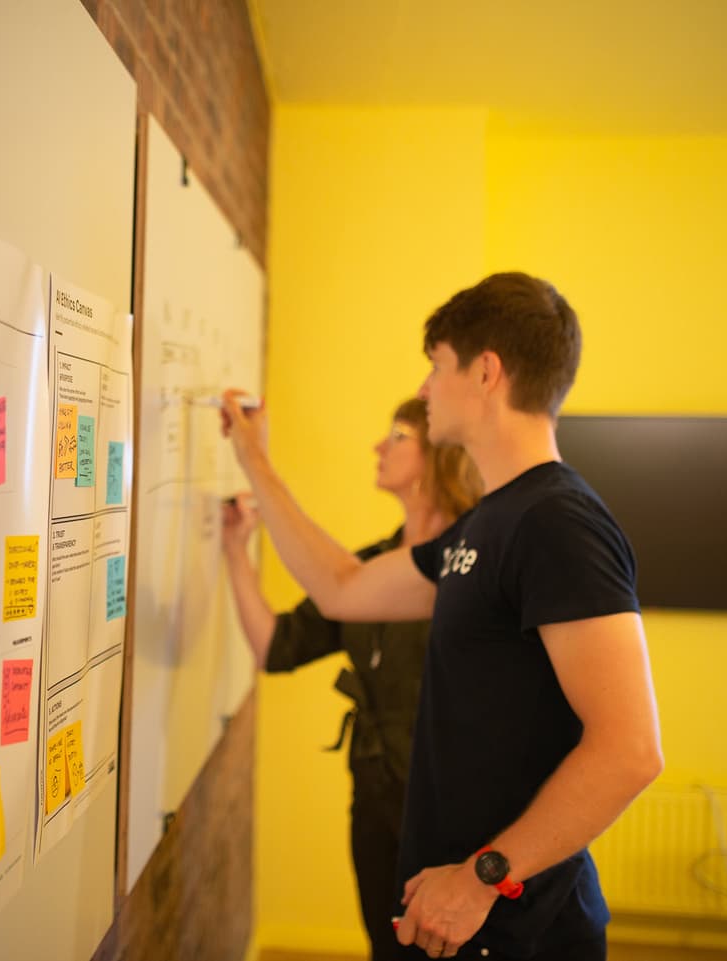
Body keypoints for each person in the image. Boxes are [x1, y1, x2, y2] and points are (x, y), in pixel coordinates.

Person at [220, 272, 663, 960]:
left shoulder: (560, 522)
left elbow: (630, 749)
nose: (425, 387)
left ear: (485, 372)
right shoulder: (488, 522)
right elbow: (342, 586)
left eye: (436, 365)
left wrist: (484, 877)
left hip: (521, 931)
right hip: (453, 920)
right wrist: (252, 455)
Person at [222, 397, 481, 961]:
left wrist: (256, 459)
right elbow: (275, 645)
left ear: (439, 454)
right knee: (386, 946)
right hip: (373, 800)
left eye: (398, 435)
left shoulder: (474, 565)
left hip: (450, 816)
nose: (378, 446)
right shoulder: (371, 569)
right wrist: (234, 550)